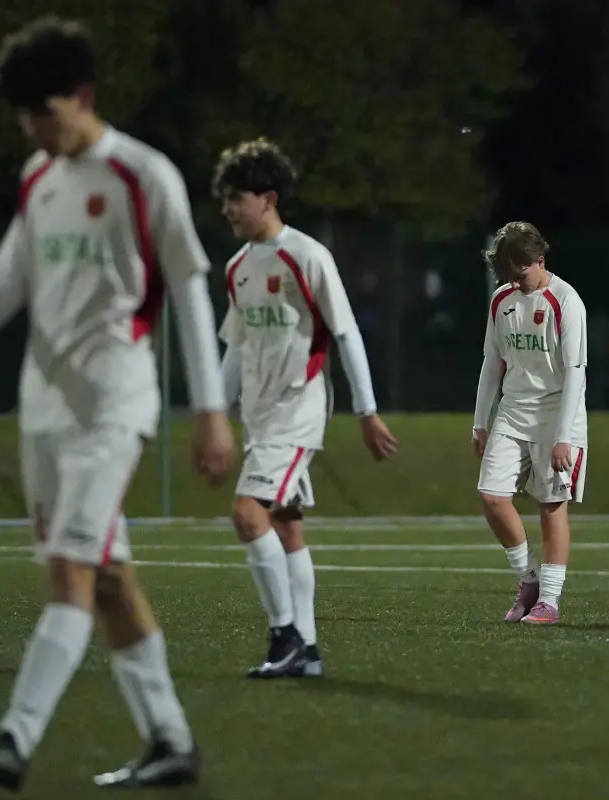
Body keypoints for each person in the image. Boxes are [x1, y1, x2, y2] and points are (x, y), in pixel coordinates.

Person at [0, 16, 237, 791]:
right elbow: (12, 280)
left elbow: (188, 286)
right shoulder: (37, 178)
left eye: (41, 113)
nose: (31, 129)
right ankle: (170, 740)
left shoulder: (143, 175)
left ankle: (16, 738)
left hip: (112, 408)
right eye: (23, 117)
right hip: (43, 414)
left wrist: (211, 409)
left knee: (71, 573)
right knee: (110, 577)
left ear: (81, 97)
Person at [212, 138, 398, 678]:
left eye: (235, 198)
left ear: (267, 198)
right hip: (259, 415)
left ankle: (284, 636)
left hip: (298, 408)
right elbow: (238, 346)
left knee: (248, 515)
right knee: (287, 525)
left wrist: (367, 411)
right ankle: (308, 652)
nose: (226, 209)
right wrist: (215, 417)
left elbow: (345, 333)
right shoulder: (238, 268)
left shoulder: (308, 255)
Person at [471, 222, 587, 626]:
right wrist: (479, 422)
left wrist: (564, 436)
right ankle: (529, 579)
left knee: (551, 506)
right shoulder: (501, 300)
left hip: (556, 413)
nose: (514, 284)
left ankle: (548, 602)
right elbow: (492, 361)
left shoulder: (566, 300)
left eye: (520, 275)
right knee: (491, 495)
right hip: (513, 409)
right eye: (507, 276)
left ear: (540, 260)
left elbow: (575, 372)